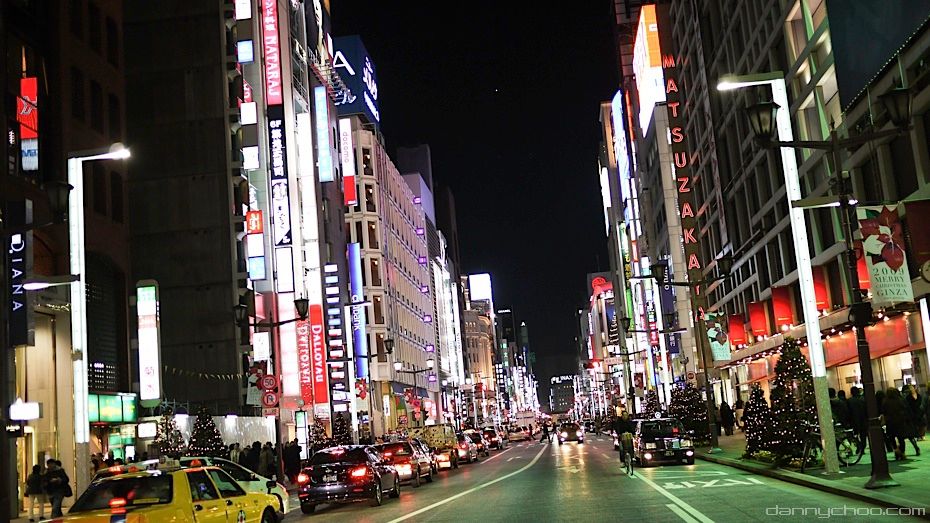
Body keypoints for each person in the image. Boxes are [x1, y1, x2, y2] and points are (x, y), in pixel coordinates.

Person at [883, 388, 918, 460]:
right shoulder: (900, 400)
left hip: (890, 422)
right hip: (900, 422)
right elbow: (906, 410)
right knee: (901, 438)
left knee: (892, 437)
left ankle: (896, 450)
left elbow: (883, 411)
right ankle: (902, 452)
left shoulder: (885, 401)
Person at [902, 384, 923, 455]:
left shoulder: (903, 398)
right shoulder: (907, 397)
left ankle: (902, 452)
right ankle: (916, 447)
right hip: (909, 418)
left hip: (904, 419)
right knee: (910, 436)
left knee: (901, 437)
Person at [847, 386, 868, 452]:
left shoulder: (850, 400)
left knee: (855, 434)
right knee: (863, 435)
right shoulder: (863, 399)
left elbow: (848, 411)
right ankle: (863, 447)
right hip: (863, 419)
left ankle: (859, 446)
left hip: (854, 420)